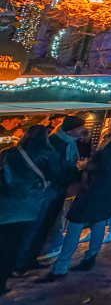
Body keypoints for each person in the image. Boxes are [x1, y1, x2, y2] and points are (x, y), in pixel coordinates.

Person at [38, 115, 111, 282]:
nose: (109, 126)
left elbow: (105, 167)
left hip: (95, 189)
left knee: (74, 223)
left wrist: (86, 165)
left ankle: (60, 267)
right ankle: (90, 257)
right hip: (109, 191)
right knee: (99, 221)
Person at [17, 116, 88, 273]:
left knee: (44, 226)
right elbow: (55, 169)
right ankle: (21, 263)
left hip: (57, 190)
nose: (84, 131)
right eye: (80, 128)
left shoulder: (70, 143)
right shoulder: (56, 143)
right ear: (72, 130)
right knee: (36, 226)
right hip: (49, 191)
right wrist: (76, 171)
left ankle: (29, 259)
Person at [0, 126, 58, 294]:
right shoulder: (49, 153)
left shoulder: (9, 152)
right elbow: (53, 176)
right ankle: (3, 280)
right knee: (12, 245)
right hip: (27, 205)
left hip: (5, 202)